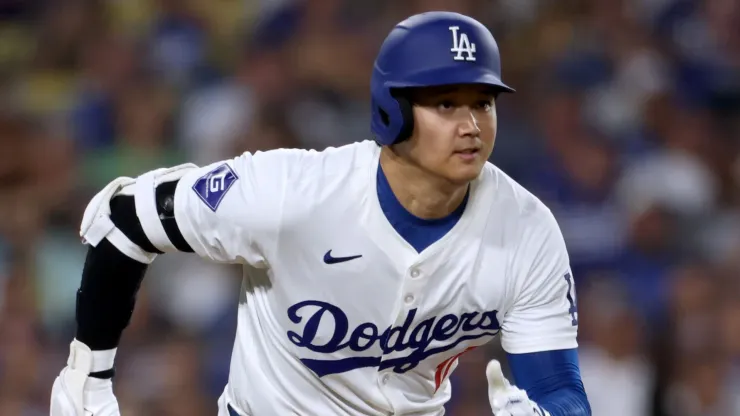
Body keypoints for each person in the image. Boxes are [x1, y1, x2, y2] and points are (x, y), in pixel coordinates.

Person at [50, 11, 591, 416]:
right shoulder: (294, 193)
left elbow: (561, 390)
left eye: (483, 102)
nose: (471, 124)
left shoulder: (526, 229)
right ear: (392, 109)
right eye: (446, 104)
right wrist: (87, 374)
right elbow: (123, 218)